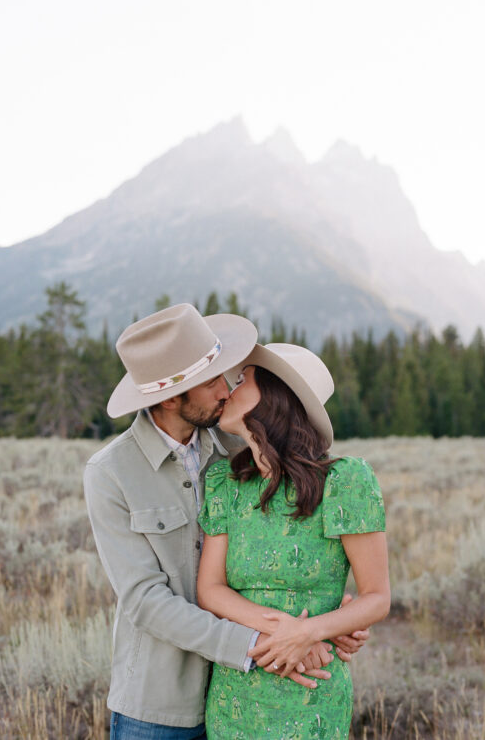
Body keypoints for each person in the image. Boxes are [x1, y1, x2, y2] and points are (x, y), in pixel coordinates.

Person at [84, 304, 368, 740]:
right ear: (171, 397)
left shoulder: (241, 444)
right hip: (160, 709)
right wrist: (267, 643)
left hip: (247, 696)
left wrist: (328, 615)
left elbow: (286, 541)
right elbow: (144, 601)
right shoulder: (110, 473)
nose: (225, 388)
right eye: (211, 380)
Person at [197, 343, 390, 739]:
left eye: (242, 381)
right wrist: (287, 631)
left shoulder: (346, 481)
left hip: (311, 697)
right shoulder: (224, 483)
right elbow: (210, 589)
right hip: (236, 694)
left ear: (274, 396)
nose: (228, 391)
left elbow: (376, 597)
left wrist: (310, 633)